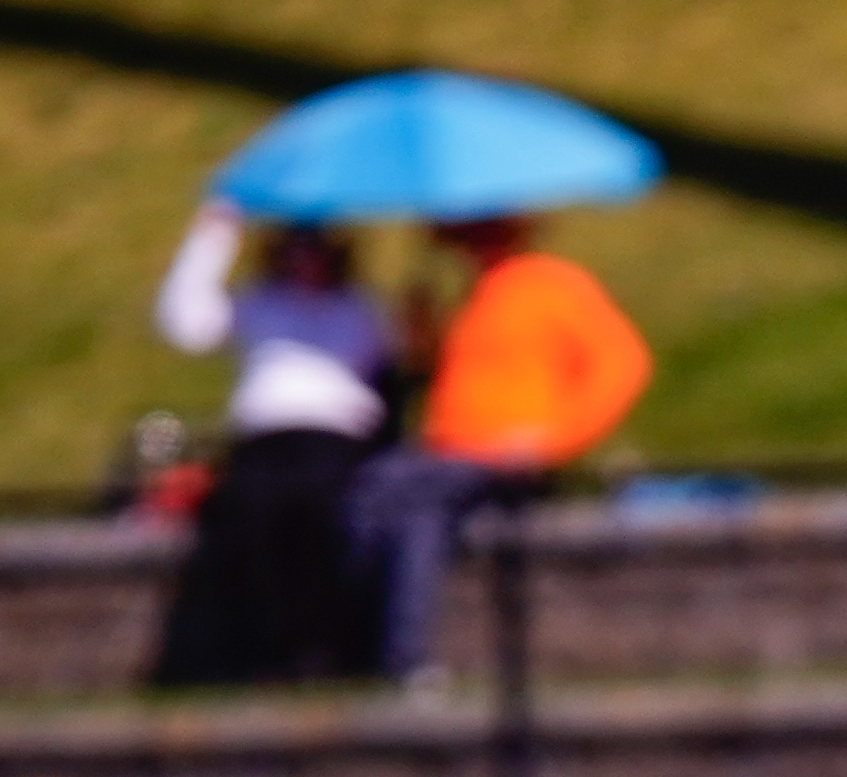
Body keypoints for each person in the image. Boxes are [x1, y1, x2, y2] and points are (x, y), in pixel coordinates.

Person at [351, 215, 650, 685]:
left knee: (414, 503)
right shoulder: (475, 294)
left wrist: (553, 441)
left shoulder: (551, 284)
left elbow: (622, 363)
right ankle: (366, 644)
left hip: (503, 460)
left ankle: (402, 655)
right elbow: (458, 380)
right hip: (447, 454)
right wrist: (420, 334)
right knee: (373, 489)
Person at [144, 203, 393, 690]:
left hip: (335, 442)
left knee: (330, 534)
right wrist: (213, 237)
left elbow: (389, 362)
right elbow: (183, 322)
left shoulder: (358, 310)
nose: (304, 262)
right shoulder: (258, 305)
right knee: (252, 535)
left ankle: (328, 654)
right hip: (265, 440)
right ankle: (260, 656)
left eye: (315, 251)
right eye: (293, 251)